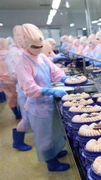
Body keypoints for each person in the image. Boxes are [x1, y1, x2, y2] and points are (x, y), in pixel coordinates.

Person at [15, 23, 70, 171]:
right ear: (25, 45)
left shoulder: (41, 57)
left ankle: (57, 151)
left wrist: (64, 79)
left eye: (40, 47)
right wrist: (49, 91)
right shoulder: (23, 63)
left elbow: (54, 71)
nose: (39, 50)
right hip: (38, 106)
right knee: (45, 135)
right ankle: (51, 162)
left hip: (49, 102)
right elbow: (29, 87)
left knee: (55, 131)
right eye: (35, 47)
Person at [5, 25, 32, 151]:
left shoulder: (21, 51)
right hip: (23, 88)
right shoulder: (13, 53)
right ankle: (17, 141)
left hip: (29, 87)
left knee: (32, 116)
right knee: (26, 118)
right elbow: (14, 74)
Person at [0, 38, 21, 119]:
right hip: (12, 79)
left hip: (3, 81)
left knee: (9, 97)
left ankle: (16, 113)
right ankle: (21, 113)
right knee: (18, 95)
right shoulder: (10, 54)